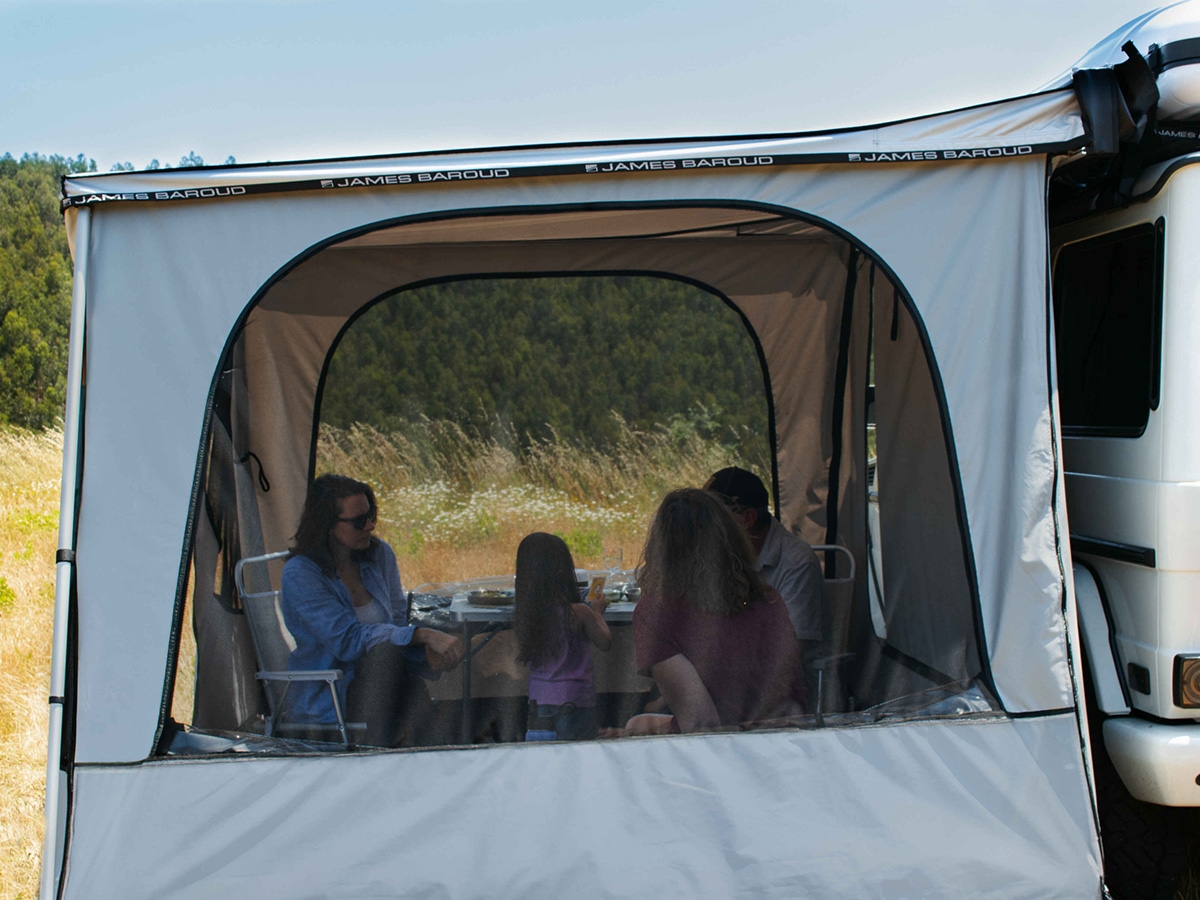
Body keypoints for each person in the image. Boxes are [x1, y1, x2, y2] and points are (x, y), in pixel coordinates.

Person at [281, 474, 463, 747]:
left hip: (388, 683)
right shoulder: (301, 574)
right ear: (327, 525)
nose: (370, 525)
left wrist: (423, 652)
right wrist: (423, 636)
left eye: (371, 515)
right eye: (359, 521)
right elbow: (348, 641)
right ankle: (425, 748)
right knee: (394, 670)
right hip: (332, 693)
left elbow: (397, 622)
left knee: (411, 671)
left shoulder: (379, 555)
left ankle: (421, 747)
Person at [626, 488, 805, 735]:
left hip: (729, 744)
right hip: (784, 738)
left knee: (635, 727)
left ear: (660, 549)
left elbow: (702, 725)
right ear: (731, 538)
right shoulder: (767, 598)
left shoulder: (655, 613)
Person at [703, 467, 826, 655]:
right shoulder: (723, 553)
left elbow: (788, 652)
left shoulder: (797, 563)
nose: (706, 527)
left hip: (786, 671)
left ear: (748, 519)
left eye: (715, 518)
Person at [513, 532, 613, 741]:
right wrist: (596, 612)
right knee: (577, 757)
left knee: (543, 757)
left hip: (539, 700)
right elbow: (605, 641)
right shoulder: (579, 612)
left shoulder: (525, 616)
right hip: (576, 699)